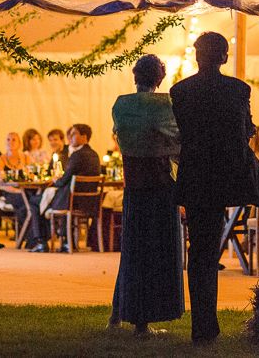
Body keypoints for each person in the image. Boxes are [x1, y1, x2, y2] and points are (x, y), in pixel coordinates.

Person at [170, 32, 259, 345]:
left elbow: (181, 132)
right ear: (224, 57)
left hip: (199, 175)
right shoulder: (239, 88)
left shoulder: (180, 90)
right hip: (238, 171)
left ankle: (203, 329)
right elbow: (246, 129)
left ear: (196, 56)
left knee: (201, 252)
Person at [107, 55, 183, 335]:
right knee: (156, 252)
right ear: (159, 78)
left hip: (133, 185)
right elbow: (178, 141)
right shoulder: (163, 105)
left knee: (132, 250)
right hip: (160, 185)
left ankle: (117, 313)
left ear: (135, 75)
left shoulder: (121, 104)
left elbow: (122, 137)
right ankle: (142, 322)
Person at [28, 123, 101, 253]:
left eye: (74, 134)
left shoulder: (77, 155)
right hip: (89, 202)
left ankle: (41, 242)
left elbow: (63, 181)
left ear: (84, 137)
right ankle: (66, 241)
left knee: (34, 201)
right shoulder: (95, 155)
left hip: (71, 202)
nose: (70, 138)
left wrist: (56, 180)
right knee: (44, 199)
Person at [0, 132, 29, 231]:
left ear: (19, 143)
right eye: (8, 139)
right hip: (8, 192)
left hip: (23, 190)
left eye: (14, 140)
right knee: (24, 201)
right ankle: (23, 231)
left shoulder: (26, 158)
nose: (11, 142)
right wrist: (16, 191)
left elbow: (31, 177)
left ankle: (26, 232)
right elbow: (1, 183)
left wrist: (22, 190)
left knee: (33, 200)